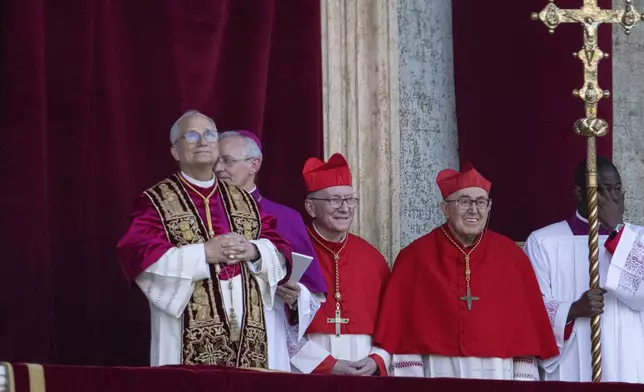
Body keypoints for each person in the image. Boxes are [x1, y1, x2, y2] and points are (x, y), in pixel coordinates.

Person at [117, 110, 293, 371]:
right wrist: (203, 255)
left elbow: (280, 250)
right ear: (176, 151)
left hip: (248, 332)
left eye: (209, 134)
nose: (202, 141)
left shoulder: (243, 199)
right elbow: (138, 256)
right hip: (185, 331)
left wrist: (253, 250)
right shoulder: (156, 200)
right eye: (192, 135)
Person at [374, 162, 558, 380]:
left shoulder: (512, 257)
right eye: (464, 202)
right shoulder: (414, 257)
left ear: (489, 207)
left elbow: (525, 337)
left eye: (481, 202)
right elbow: (402, 336)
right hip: (438, 373)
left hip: (498, 374)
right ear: (444, 208)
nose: (474, 210)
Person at [525, 156, 644, 383]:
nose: (613, 197)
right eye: (603, 189)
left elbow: (640, 292)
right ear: (579, 193)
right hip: (572, 361)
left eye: (617, 188)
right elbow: (532, 307)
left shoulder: (638, 238)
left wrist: (615, 230)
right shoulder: (544, 242)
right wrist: (571, 310)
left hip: (630, 357)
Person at [215, 130, 327, 353]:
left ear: (254, 165)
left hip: (268, 329)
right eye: (216, 161)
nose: (218, 168)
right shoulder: (202, 212)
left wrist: (295, 294)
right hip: (213, 328)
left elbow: (312, 290)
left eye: (227, 160)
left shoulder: (286, 218)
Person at [288, 153, 391, 376]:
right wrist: (326, 365)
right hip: (306, 371)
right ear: (311, 207)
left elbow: (393, 321)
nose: (345, 208)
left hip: (365, 370)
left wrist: (377, 360)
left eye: (350, 199)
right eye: (334, 200)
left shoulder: (372, 257)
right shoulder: (291, 251)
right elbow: (278, 322)